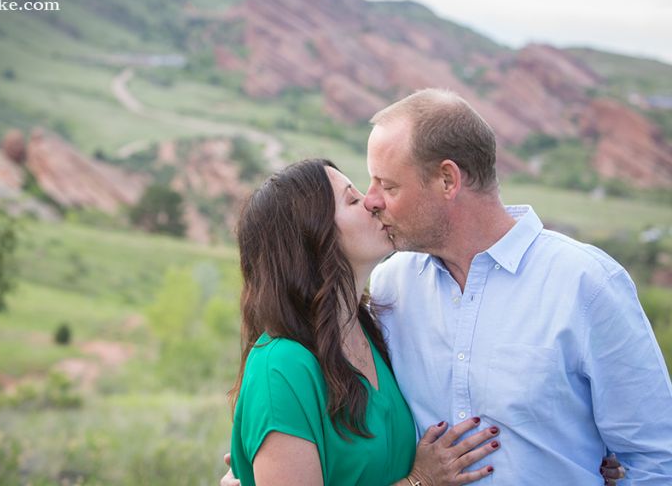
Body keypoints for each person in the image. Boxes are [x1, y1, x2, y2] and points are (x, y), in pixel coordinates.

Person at [361, 88, 672, 484]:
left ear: (447, 179)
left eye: (388, 187)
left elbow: (657, 460)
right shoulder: (392, 284)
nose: (371, 200)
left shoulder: (586, 283)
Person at [228, 159, 501, 486]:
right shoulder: (281, 368)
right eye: (352, 200)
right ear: (313, 236)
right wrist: (420, 481)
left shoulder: (370, 332)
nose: (372, 203)